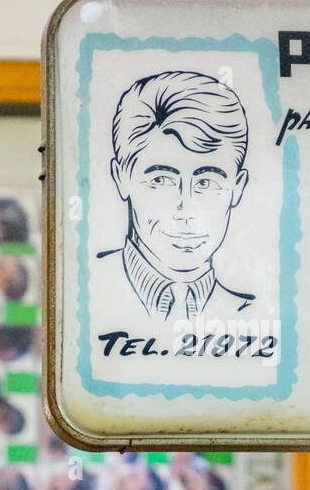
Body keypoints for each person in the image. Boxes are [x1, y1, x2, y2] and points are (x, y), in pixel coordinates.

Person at [98, 70, 255, 324]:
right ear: (120, 178)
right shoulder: (80, 291)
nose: (186, 210)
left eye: (206, 182)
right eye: (160, 180)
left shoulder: (257, 315)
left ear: (238, 187)